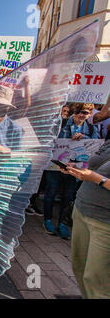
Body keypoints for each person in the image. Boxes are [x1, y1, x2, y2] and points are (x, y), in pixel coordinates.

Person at [60, 140, 109, 298]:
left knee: (97, 280)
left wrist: (98, 179)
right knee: (80, 269)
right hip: (82, 210)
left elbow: (99, 177)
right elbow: (96, 168)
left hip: (105, 223)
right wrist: (78, 170)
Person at [43, 103, 99, 239]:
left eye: (84, 112)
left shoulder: (92, 130)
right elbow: (48, 140)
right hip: (55, 167)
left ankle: (62, 223)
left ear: (90, 114)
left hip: (76, 168)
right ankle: (48, 221)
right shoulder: (60, 124)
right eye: (78, 111)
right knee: (51, 192)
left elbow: (95, 147)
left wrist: (85, 138)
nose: (80, 115)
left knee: (68, 196)